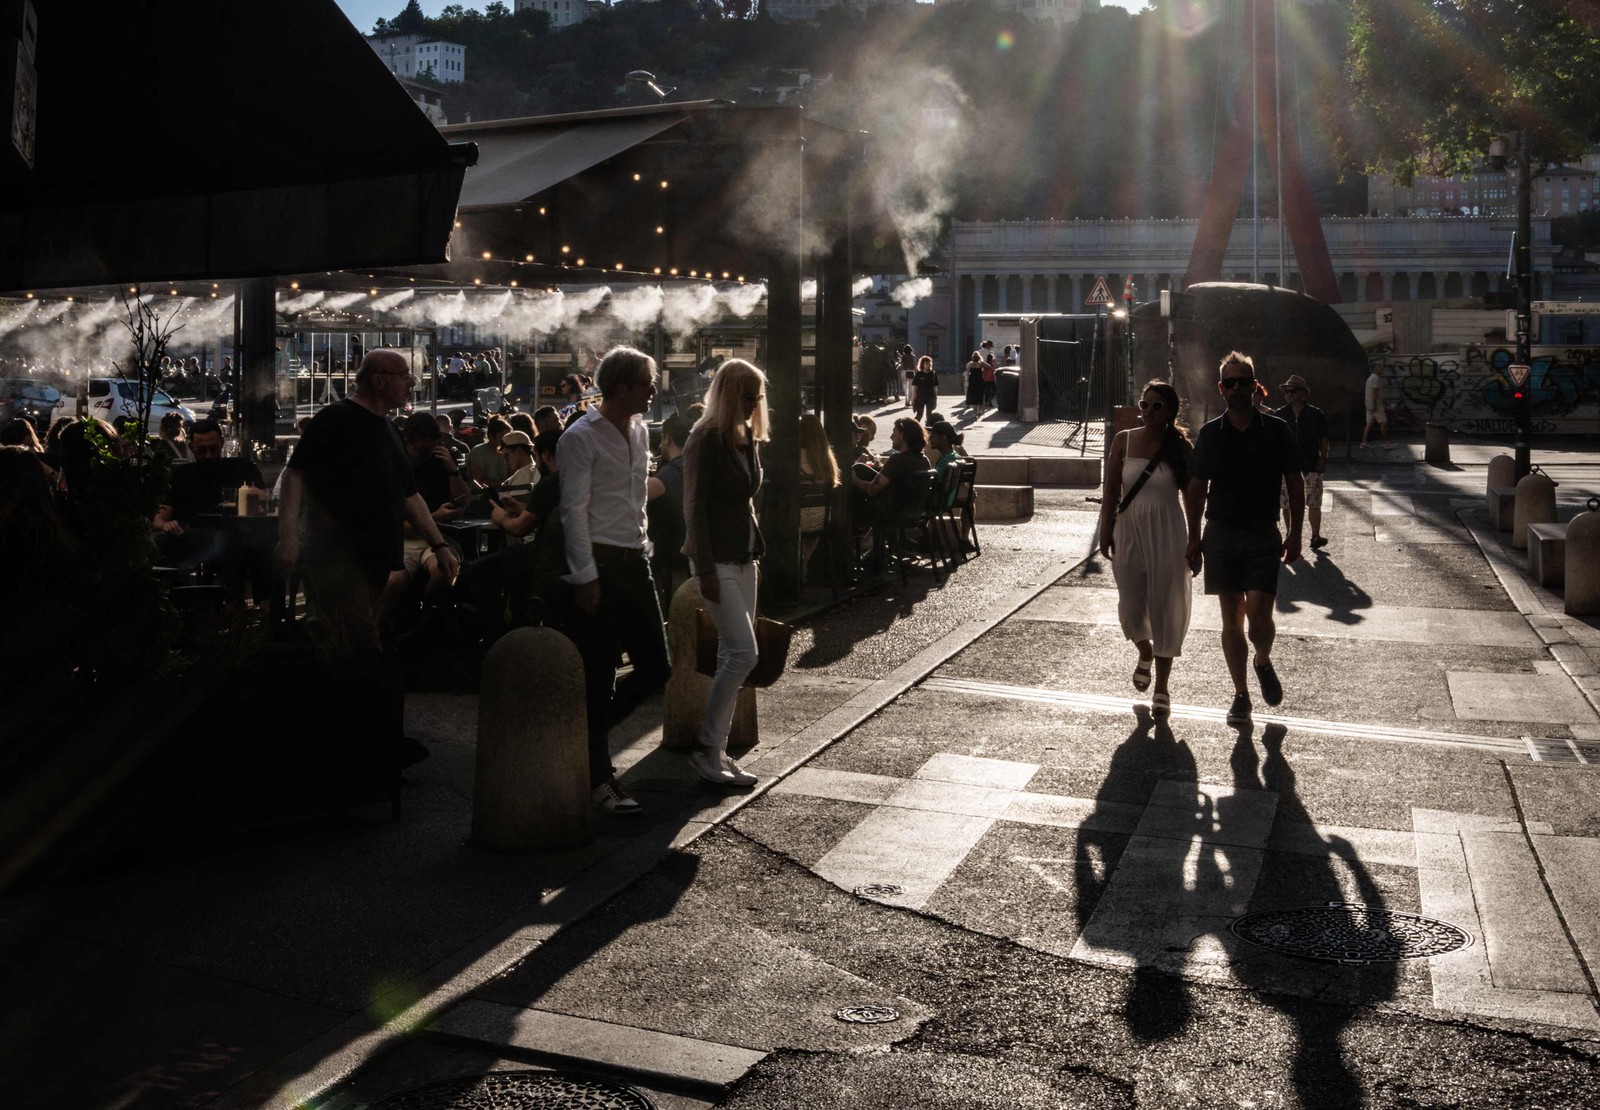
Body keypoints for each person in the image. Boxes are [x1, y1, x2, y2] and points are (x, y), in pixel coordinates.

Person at [276, 350, 461, 771]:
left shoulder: (388, 431)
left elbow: (410, 496)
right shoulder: (335, 419)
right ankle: (375, 747)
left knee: (350, 646)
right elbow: (294, 475)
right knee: (364, 645)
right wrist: (288, 537)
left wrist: (440, 545)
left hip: (376, 559)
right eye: (405, 377)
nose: (412, 383)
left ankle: (346, 742)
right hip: (336, 557)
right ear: (379, 381)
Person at [557, 346, 671, 814]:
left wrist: (643, 544)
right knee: (599, 670)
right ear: (622, 386)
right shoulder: (581, 437)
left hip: (632, 558)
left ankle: (584, 742)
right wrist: (585, 576)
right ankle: (597, 777)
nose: (652, 390)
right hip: (598, 562)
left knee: (656, 667)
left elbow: (634, 498)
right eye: (647, 382)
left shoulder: (641, 429)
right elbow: (573, 512)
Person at [1185, 352, 1304, 727]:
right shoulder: (1210, 434)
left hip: (1261, 533)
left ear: (1254, 385)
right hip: (1219, 532)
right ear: (1221, 388)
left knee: (1259, 616)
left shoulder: (1276, 430)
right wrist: (1193, 537)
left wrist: (1297, 532)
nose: (1237, 387)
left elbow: (1295, 482)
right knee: (1231, 620)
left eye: (1243, 381)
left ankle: (1263, 659)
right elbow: (1196, 487)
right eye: (1230, 382)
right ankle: (1240, 695)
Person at [681, 359, 768, 787]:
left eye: (758, 397)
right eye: (747, 397)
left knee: (730, 656)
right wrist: (702, 564)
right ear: (730, 395)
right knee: (743, 654)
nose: (754, 405)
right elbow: (693, 506)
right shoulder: (706, 437)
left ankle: (715, 751)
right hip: (716, 559)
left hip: (744, 555)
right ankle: (706, 749)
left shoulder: (746, 435)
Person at [1099, 380, 1197, 719]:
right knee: (1131, 602)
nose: (1149, 411)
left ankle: (1162, 687)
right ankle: (1144, 651)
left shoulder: (1181, 447)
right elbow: (1111, 487)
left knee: (1166, 603)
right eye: (1145, 405)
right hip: (1128, 528)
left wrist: (1196, 539)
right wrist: (1105, 529)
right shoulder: (1123, 440)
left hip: (1168, 529)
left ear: (1170, 411)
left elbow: (1193, 496)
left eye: (1157, 406)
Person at [1274, 374, 1330, 550]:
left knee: (1314, 501)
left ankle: (1315, 535)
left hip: (1311, 463)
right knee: (1286, 502)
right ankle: (1290, 534)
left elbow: (1323, 438)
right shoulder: (1279, 414)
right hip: (1286, 466)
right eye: (1286, 391)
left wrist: (1323, 458)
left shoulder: (1315, 413)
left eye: (1293, 391)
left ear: (1302, 393)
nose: (1289, 394)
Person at [646, 411, 691, 604]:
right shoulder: (695, 466)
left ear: (667, 439)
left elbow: (637, 494)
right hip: (693, 555)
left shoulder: (668, 475)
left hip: (672, 559)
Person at [467, 414, 511, 489]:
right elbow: (478, 482)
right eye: (502, 436)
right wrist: (504, 483)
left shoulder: (509, 452)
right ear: (491, 436)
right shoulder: (479, 452)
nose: (505, 440)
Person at [1362, 365, 1388, 447]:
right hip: (1376, 405)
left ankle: (1364, 442)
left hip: (1369, 404)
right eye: (1381, 370)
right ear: (1378, 370)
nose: (1382, 372)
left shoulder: (1370, 378)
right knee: (1383, 423)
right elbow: (1374, 393)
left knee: (1369, 423)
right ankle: (1386, 443)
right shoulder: (1376, 379)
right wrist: (1374, 405)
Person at [910, 355, 938, 423]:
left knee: (929, 415)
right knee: (919, 414)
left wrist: (936, 397)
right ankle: (915, 427)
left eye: (929, 363)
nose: (928, 365)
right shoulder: (919, 374)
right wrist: (913, 398)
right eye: (926, 363)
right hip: (920, 396)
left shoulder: (933, 374)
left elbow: (935, 386)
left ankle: (928, 427)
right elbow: (915, 387)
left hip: (930, 396)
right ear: (922, 364)